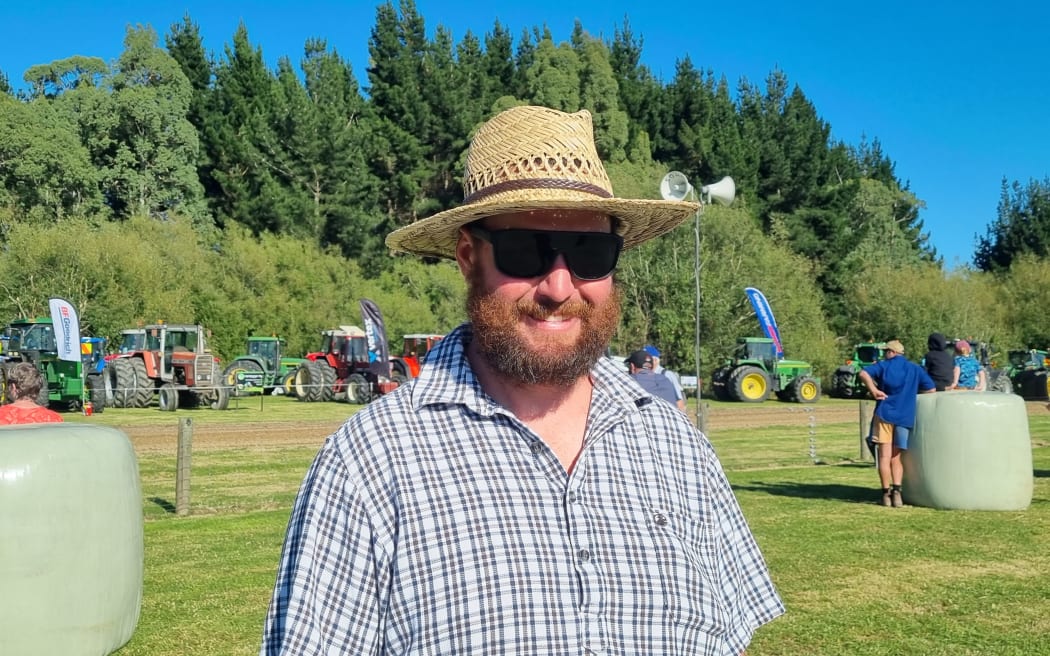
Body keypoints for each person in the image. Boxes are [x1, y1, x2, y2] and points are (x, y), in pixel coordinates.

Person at [261, 105, 784, 655]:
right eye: (524, 251)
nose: (560, 285)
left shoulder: (678, 449)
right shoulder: (368, 463)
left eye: (590, 253)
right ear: (469, 256)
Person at [858, 340, 936, 507]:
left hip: (885, 414)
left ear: (891, 352)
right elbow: (931, 389)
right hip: (904, 416)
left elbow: (863, 373)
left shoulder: (884, 366)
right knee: (896, 457)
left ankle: (885, 495)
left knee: (884, 457)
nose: (885, 354)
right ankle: (897, 493)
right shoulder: (915, 368)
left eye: (886, 351)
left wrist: (874, 390)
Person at [644, 344, 687, 411]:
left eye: (646, 359)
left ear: (655, 360)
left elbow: (679, 400)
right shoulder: (644, 375)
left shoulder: (667, 375)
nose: (644, 362)